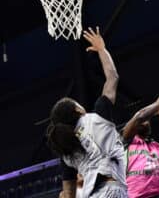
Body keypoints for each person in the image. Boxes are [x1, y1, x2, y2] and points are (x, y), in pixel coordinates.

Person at [47, 26, 127, 198]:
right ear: (78, 109)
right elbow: (112, 77)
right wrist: (101, 49)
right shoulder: (97, 116)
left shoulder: (65, 150)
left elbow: (69, 195)